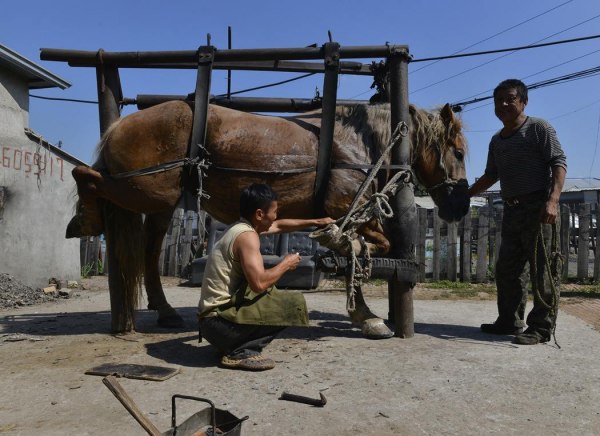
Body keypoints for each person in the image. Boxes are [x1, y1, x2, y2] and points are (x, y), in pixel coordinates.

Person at [468, 79, 567, 345]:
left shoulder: (538, 128)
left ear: (523, 101)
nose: (503, 105)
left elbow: (558, 162)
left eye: (510, 99)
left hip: (538, 207)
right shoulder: (496, 141)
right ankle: (509, 321)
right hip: (512, 210)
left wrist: (553, 200)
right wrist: (465, 194)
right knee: (508, 270)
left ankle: (541, 329)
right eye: (499, 100)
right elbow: (491, 175)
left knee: (543, 271)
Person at [198, 183, 334, 370]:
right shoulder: (247, 237)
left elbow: (279, 226)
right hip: (219, 326)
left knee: (271, 292)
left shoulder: (240, 227)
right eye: (275, 211)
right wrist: (286, 264)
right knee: (290, 306)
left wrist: (317, 222)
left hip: (212, 324)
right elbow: (258, 284)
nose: (276, 217)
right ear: (260, 214)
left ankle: (230, 344)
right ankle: (240, 351)